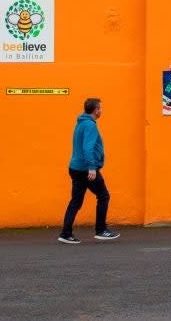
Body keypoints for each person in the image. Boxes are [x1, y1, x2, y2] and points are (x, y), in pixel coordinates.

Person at [58, 98, 119, 244]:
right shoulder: (90, 125)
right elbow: (87, 147)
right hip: (86, 169)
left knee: (76, 201)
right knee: (104, 196)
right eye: (100, 108)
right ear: (96, 110)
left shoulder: (80, 123)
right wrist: (91, 167)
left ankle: (65, 234)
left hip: (75, 168)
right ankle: (101, 230)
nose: (101, 111)